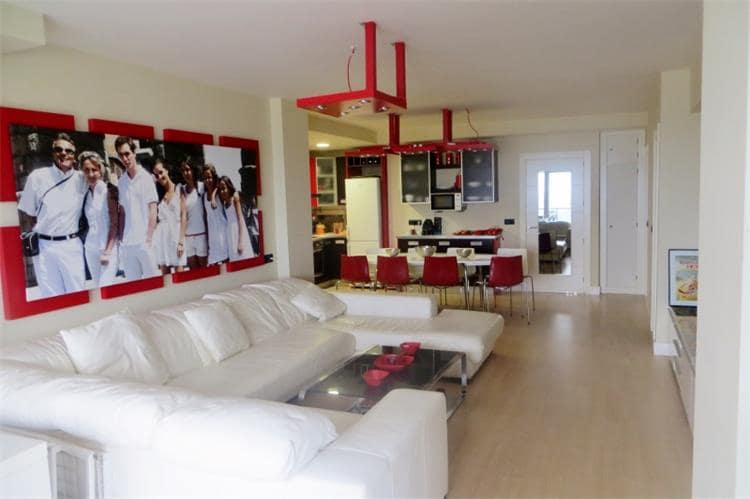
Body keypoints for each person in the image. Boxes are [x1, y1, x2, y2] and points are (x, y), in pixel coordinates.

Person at [17, 132, 87, 297]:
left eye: (68, 151)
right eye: (58, 149)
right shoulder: (38, 177)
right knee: (51, 297)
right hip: (44, 247)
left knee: (77, 294)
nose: (63, 153)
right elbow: (29, 213)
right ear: (53, 153)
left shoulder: (82, 179)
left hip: (71, 245)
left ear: (74, 155)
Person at [115, 136, 159, 280]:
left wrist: (149, 238)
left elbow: (153, 209)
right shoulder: (121, 182)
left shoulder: (146, 178)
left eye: (127, 154)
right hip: (128, 244)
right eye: (121, 155)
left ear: (134, 153)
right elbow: (122, 212)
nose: (125, 158)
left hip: (144, 242)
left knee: (153, 284)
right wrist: (121, 239)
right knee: (134, 286)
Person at [79, 151, 120, 287]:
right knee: (98, 288)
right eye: (86, 170)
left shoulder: (109, 191)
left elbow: (114, 224)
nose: (91, 174)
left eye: (94, 170)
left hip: (108, 248)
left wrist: (107, 251)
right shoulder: (85, 194)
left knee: (105, 286)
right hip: (90, 248)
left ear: (100, 170)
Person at [151, 159, 186, 274]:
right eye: (156, 175)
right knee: (165, 277)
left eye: (161, 172)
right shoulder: (158, 194)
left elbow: (183, 216)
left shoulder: (179, 188)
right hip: (162, 238)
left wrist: (181, 242)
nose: (160, 177)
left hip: (176, 236)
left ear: (167, 170)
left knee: (180, 275)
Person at [179, 156, 207, 269]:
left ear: (193, 170)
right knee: (194, 273)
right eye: (183, 171)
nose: (185, 173)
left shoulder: (202, 187)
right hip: (188, 238)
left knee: (206, 272)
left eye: (187, 169)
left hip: (202, 235)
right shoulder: (181, 190)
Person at [217, 176, 254, 262]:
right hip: (230, 233)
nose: (222, 191)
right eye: (220, 189)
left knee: (243, 258)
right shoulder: (224, 203)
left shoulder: (234, 198)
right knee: (234, 259)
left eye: (224, 188)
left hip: (238, 231)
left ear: (229, 187)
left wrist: (240, 241)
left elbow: (240, 219)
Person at [201, 163, 228, 265]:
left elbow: (222, 184)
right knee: (213, 264)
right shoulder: (203, 197)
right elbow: (206, 219)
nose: (207, 180)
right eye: (205, 178)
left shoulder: (220, 192)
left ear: (214, 177)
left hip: (223, 233)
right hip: (212, 237)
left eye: (209, 177)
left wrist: (213, 196)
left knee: (226, 263)